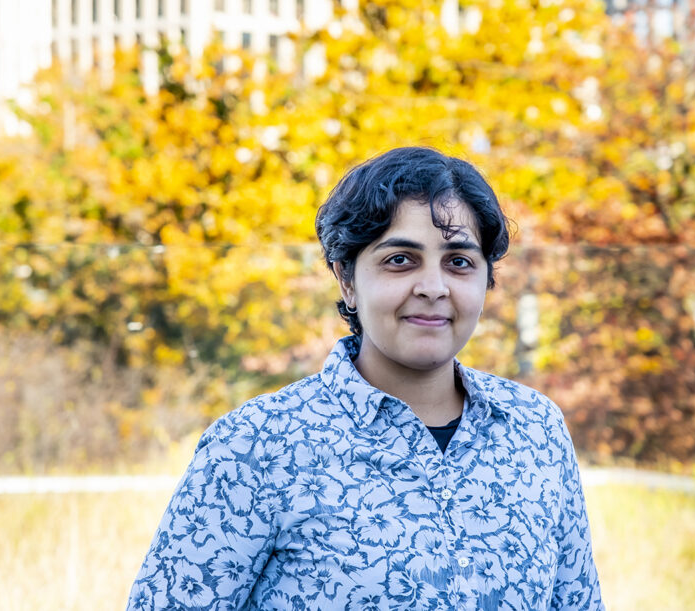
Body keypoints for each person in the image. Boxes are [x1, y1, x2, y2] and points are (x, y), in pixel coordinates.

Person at [125, 147, 605, 610]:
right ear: (347, 279)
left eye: (459, 261)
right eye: (401, 260)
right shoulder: (256, 448)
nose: (433, 287)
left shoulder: (535, 430)